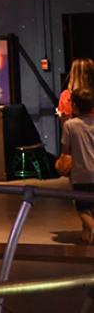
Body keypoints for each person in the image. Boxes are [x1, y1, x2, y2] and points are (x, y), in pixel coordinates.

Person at [62, 88, 94, 244]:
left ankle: (91, 229)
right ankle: (87, 234)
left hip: (80, 174)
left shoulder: (70, 125)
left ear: (74, 106)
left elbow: (66, 150)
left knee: (81, 207)